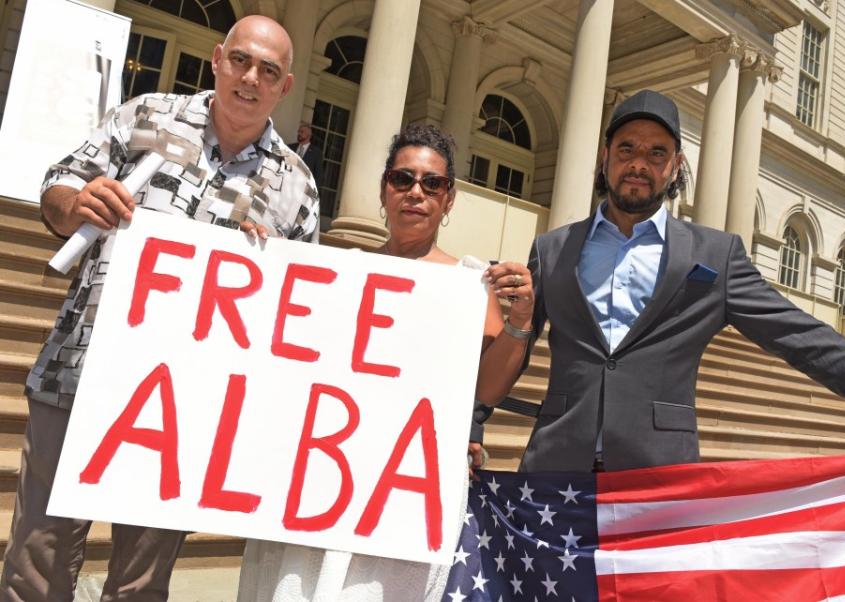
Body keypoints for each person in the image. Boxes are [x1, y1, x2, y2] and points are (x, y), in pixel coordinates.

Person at [0, 16, 319, 601]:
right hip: (79, 371)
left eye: (268, 71)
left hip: (186, 409)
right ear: (219, 58)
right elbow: (58, 187)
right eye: (242, 61)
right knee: (34, 566)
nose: (251, 78)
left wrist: (269, 273)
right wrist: (78, 202)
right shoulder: (145, 115)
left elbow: (297, 314)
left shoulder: (297, 186)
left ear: (285, 85)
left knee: (140, 584)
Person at [482, 89, 845, 475]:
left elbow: (811, 342)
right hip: (554, 472)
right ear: (605, 156)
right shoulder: (552, 249)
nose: (639, 163)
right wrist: (472, 426)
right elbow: (513, 352)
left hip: (658, 477)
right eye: (626, 148)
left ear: (675, 166)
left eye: (656, 152)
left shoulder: (715, 256)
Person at [237, 123, 534, 601]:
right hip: (324, 474)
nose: (416, 192)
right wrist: (260, 264)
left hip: (406, 488)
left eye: (431, 183)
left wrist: (520, 321)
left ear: (449, 198)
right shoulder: (342, 271)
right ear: (384, 189)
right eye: (403, 179)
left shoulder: (469, 285)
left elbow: (486, 390)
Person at [288, 123, 322, 187]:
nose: (299, 134)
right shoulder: (290, 147)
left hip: (303, 187)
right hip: (287, 184)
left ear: (309, 135)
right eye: (299, 131)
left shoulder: (316, 153)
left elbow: (318, 176)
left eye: (302, 132)